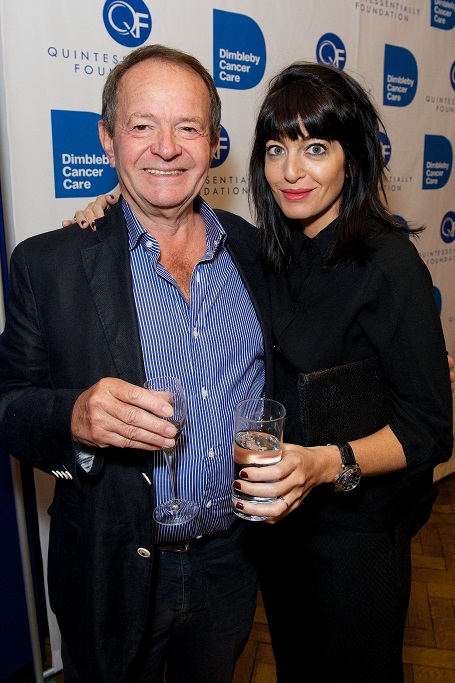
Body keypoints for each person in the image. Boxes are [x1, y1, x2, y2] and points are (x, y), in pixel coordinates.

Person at [75, 62, 454, 682]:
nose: (291, 170)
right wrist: (120, 199)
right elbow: (164, 206)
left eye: (315, 148)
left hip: (354, 541)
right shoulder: (267, 252)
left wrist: (320, 464)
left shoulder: (389, 263)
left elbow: (430, 430)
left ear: (351, 158)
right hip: (277, 539)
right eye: (277, 149)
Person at [0, 44, 275, 683]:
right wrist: (72, 414)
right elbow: (8, 403)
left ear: (212, 141)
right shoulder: (49, 265)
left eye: (188, 126)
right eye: (142, 125)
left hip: (231, 563)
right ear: (107, 139)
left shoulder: (258, 253)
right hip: (110, 570)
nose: (167, 147)